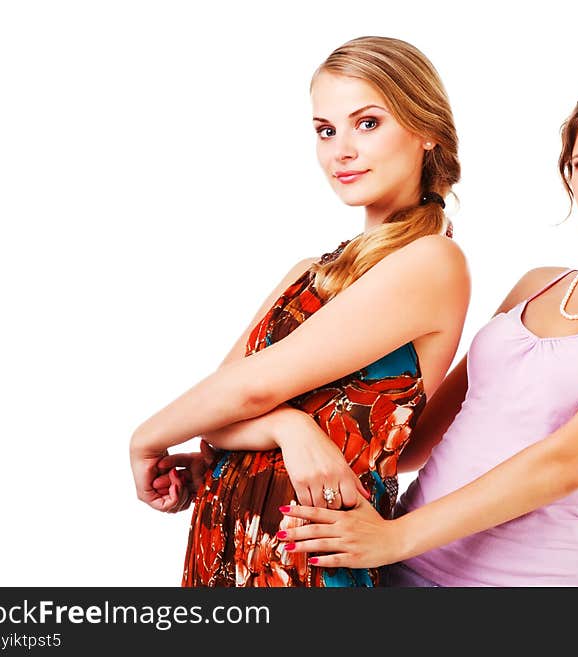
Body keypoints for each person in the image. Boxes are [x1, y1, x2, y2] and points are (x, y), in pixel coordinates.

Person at [216, 77, 578, 586]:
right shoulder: (539, 285)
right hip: (397, 567)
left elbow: (568, 461)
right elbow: (414, 437)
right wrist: (266, 439)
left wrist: (394, 538)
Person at [128, 35, 470, 587]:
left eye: (367, 123)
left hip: (312, 562)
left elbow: (246, 393)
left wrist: (145, 437)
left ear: (426, 129)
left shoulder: (430, 261)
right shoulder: (308, 272)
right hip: (226, 548)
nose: (341, 151)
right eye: (325, 131)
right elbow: (215, 409)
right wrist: (290, 429)